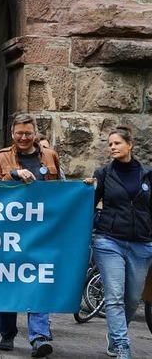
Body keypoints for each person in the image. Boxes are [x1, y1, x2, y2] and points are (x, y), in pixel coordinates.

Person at [0, 113, 61, 357]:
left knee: (38, 280)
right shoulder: (1, 157)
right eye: (19, 133)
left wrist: (82, 188)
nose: (24, 137)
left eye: (28, 133)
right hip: (9, 231)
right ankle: (7, 332)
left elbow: (61, 188)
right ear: (12, 134)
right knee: (9, 280)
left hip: (41, 231)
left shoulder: (50, 156)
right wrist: (14, 175)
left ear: (35, 133)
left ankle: (39, 336)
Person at [85, 126, 152, 359]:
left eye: (117, 143)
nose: (112, 147)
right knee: (114, 296)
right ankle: (123, 345)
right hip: (108, 241)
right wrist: (85, 190)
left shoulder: (147, 173)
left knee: (132, 298)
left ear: (130, 144)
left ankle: (115, 336)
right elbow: (90, 205)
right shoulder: (103, 173)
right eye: (110, 144)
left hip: (141, 243)